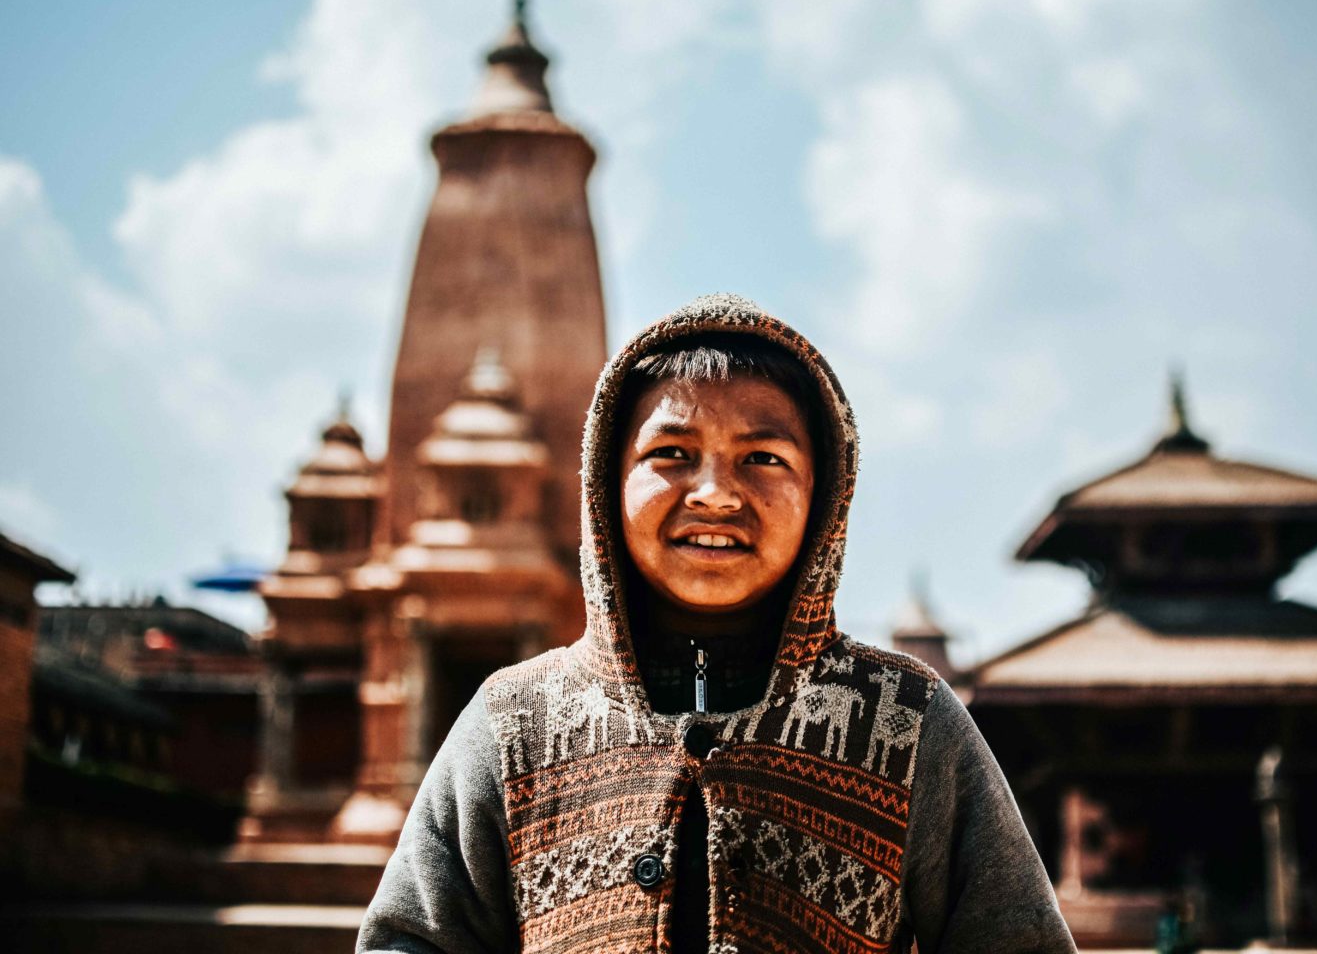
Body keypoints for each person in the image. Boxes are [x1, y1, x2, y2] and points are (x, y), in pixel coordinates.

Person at [357, 293, 1076, 953]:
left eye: (762, 458)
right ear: (607, 484)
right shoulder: (514, 721)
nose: (714, 494)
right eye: (671, 454)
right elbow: (410, 942)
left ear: (826, 497)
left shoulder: (907, 723)